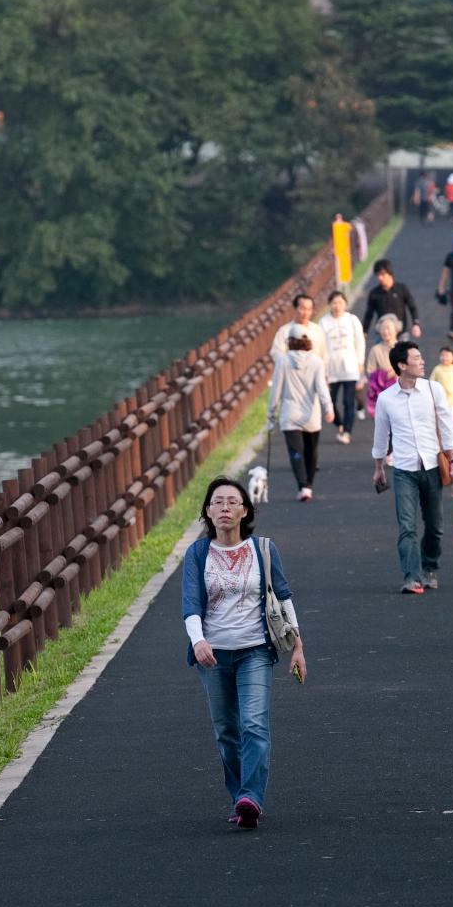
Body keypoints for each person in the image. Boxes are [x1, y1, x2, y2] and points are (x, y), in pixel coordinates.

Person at [183, 476, 307, 829]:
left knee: (254, 724)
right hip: (213, 655)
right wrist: (198, 641)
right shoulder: (198, 553)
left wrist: (297, 646)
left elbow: (283, 597)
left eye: (231, 502)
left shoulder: (263, 550)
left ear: (245, 510)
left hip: (255, 650)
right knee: (226, 731)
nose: (224, 508)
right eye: (217, 502)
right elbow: (190, 604)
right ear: (207, 511)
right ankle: (240, 795)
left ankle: (251, 797)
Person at [372, 341, 453, 594]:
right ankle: (411, 576)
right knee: (407, 526)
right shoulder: (386, 399)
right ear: (402, 365)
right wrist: (379, 467)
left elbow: (446, 426)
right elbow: (381, 436)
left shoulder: (434, 390)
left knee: (435, 525)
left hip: (432, 466)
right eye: (417, 358)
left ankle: (429, 567)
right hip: (403, 469)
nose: (422, 362)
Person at [268, 323, 335, 501]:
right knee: (311, 452)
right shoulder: (316, 361)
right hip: (311, 414)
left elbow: (276, 389)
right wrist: (329, 408)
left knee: (296, 452)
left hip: (289, 414)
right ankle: (309, 485)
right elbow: (321, 387)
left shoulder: (282, 361)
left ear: (290, 341)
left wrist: (271, 412)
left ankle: (303, 486)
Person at [320, 289, 365, 444]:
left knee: (348, 401)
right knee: (330, 401)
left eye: (340, 302)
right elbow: (321, 346)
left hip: (350, 366)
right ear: (329, 305)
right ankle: (339, 423)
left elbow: (360, 342)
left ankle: (347, 431)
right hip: (331, 368)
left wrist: (360, 362)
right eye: (334, 303)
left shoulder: (352, 320)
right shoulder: (324, 322)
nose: (337, 306)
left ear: (345, 304)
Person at [361, 259, 421, 341]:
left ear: (390, 273)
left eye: (382, 274)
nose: (380, 278)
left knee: (404, 352)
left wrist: (415, 324)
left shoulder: (401, 289)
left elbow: (412, 307)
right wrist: (364, 332)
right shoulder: (374, 293)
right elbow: (369, 314)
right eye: (378, 275)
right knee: (377, 352)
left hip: (401, 334)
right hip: (382, 335)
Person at [270, 293, 327, 362]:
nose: (305, 313)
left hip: (313, 370)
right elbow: (277, 354)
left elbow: (324, 354)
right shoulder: (284, 331)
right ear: (295, 308)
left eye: (309, 309)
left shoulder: (317, 330)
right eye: (303, 309)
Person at [364, 313, 398, 420]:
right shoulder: (375, 350)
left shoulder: (403, 348)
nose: (385, 331)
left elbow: (411, 369)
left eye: (388, 328)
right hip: (383, 392)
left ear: (396, 330)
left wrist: (396, 372)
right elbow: (370, 371)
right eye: (383, 329)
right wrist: (383, 376)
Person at [430, 345, 453, 434]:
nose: (444, 358)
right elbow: (431, 382)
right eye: (442, 355)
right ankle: (443, 435)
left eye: (447, 355)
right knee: (441, 418)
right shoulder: (437, 369)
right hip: (440, 399)